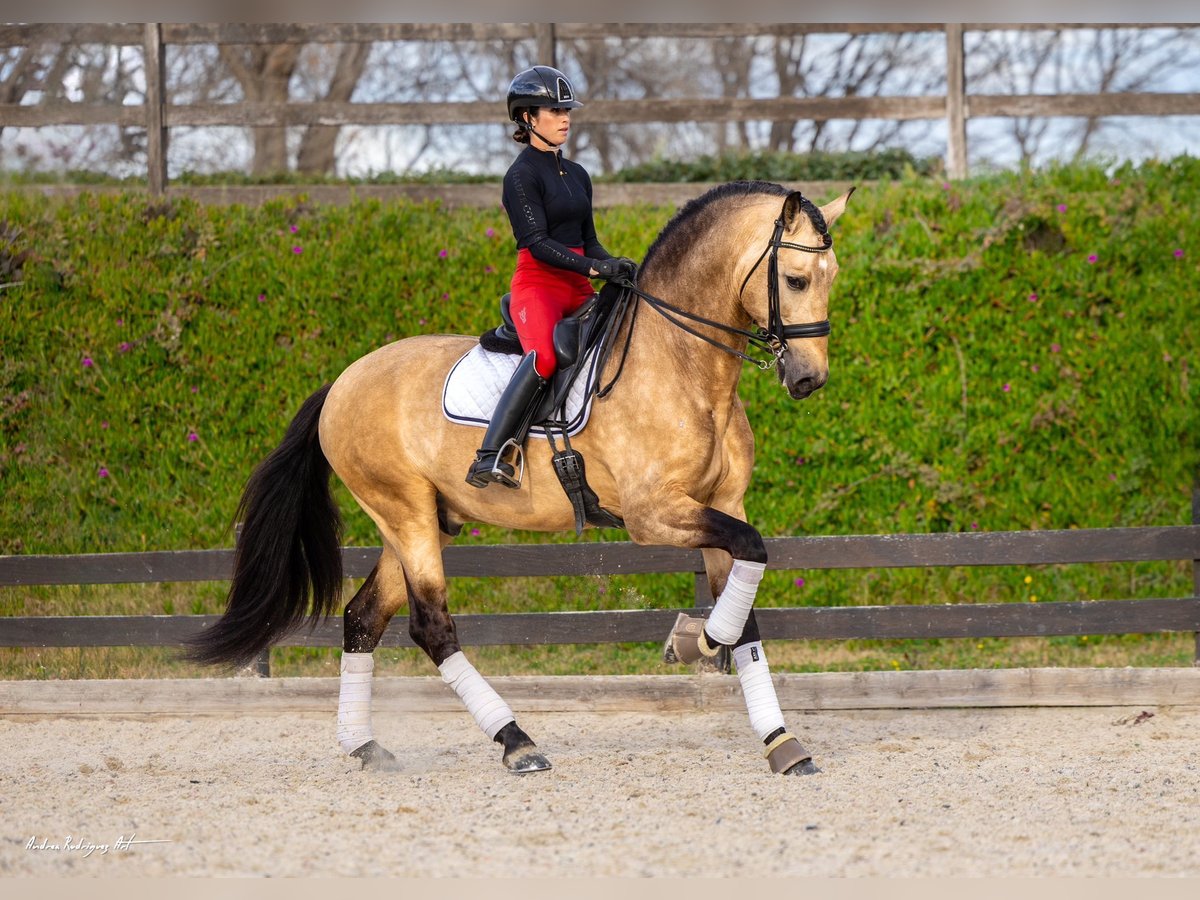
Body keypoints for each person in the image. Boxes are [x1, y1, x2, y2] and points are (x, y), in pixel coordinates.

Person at [466, 65, 636, 488]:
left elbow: (589, 241)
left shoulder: (577, 174)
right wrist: (595, 268)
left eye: (567, 110)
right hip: (538, 286)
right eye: (554, 110)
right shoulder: (520, 176)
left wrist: (616, 264)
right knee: (542, 358)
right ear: (527, 118)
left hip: (577, 286)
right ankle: (492, 454)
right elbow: (537, 243)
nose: (565, 118)